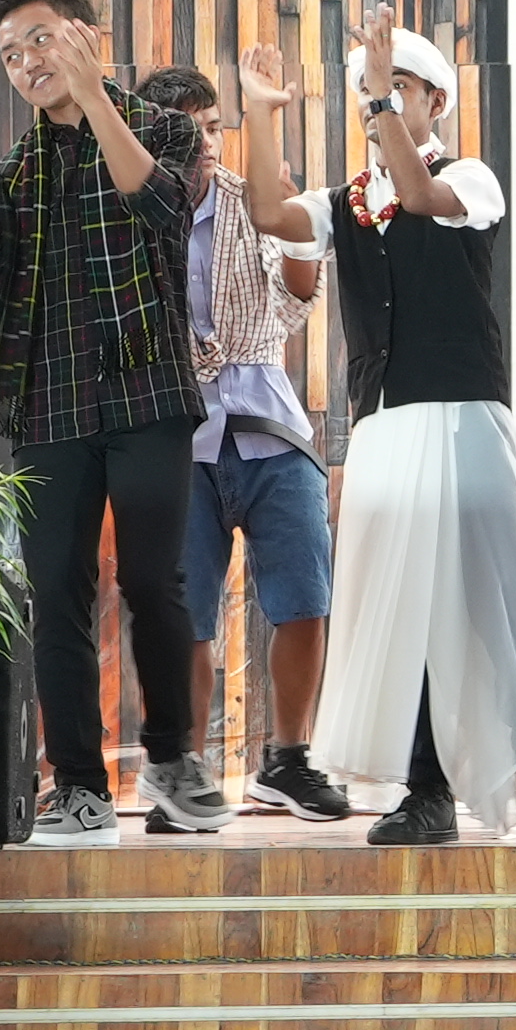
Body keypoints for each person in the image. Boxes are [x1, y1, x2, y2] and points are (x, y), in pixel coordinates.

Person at [237, 18, 516, 848]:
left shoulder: (470, 177)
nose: (377, 105)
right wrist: (262, 112)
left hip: (464, 414)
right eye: (368, 93)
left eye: (395, 90)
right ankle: (426, 792)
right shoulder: (344, 203)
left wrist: (382, 98)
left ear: (435, 101)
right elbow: (268, 212)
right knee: (406, 617)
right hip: (386, 424)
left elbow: (423, 199)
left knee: (496, 599)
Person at [0, 0, 208, 850]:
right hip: (49, 402)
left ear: (85, 36)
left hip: (148, 390)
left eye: (39, 40)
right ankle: (79, 785)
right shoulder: (18, 166)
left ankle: (174, 763)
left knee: (153, 580)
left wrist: (94, 101)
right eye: (10, 54)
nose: (25, 63)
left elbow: (159, 204)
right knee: (55, 593)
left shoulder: (164, 127)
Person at [140, 65, 352, 826]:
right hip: (175, 440)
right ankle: (184, 773)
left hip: (269, 428)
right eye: (183, 128)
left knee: (303, 599)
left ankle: (288, 760)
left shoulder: (249, 199)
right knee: (185, 616)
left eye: (210, 126)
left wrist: (295, 226)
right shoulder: (128, 212)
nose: (202, 143)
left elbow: (295, 294)